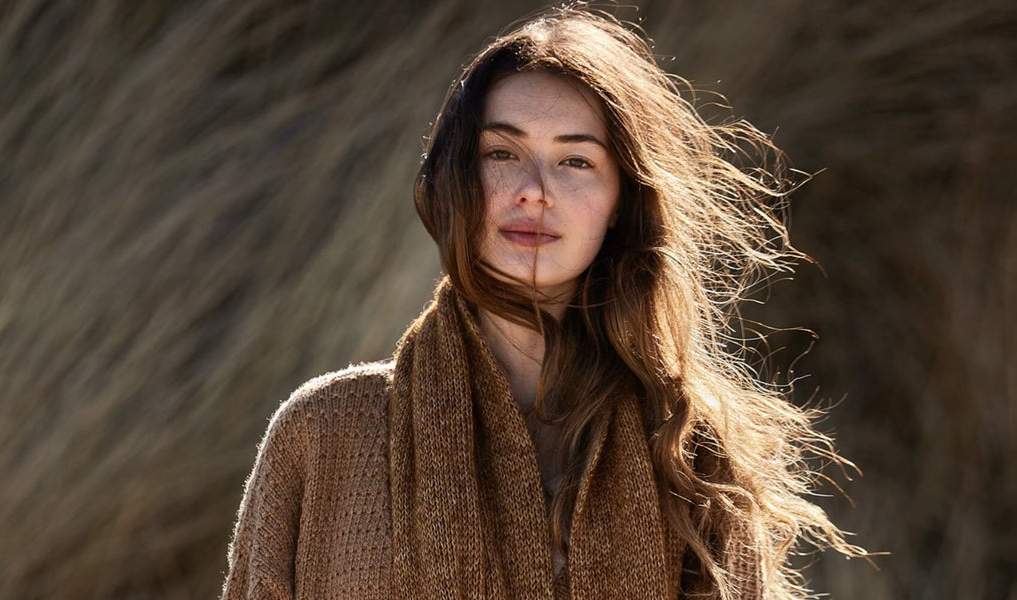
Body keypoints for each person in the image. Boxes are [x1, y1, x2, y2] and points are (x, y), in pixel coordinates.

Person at [221, 6, 864, 599]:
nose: (535, 190)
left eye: (576, 162)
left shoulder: (693, 454)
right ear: (454, 180)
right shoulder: (325, 432)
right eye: (502, 153)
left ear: (620, 204)